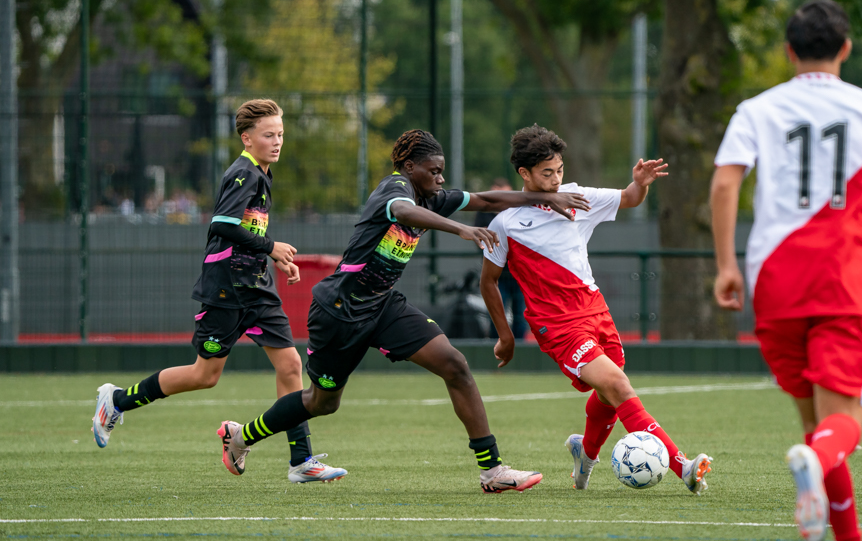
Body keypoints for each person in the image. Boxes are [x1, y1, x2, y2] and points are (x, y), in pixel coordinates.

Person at [217, 129, 591, 493]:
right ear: (410, 167)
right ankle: (241, 436)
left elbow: (486, 199)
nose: (440, 178)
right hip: (340, 311)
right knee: (322, 401)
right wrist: (459, 229)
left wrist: (543, 197)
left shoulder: (432, 196)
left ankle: (492, 471)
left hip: (383, 306)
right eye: (434, 171)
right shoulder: (394, 188)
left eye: (442, 171)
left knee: (455, 365)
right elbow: (402, 211)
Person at [711, 0, 862, 541]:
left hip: (775, 278)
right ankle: (814, 462)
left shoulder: (756, 109)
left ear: (789, 51)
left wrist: (727, 266)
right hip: (845, 277)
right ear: (846, 48)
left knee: (814, 425)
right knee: (843, 426)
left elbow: (725, 183)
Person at [92, 99, 336, 484]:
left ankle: (301, 461)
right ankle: (116, 400)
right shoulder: (243, 173)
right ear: (247, 138)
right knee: (204, 375)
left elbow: (247, 230)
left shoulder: (263, 174)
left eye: (280, 134)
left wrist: (272, 256)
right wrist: (271, 247)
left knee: (290, 365)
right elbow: (221, 225)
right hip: (226, 289)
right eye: (269, 135)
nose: (277, 141)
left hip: (256, 287)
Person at [479, 124, 713, 495]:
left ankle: (584, 457)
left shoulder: (577, 197)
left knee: (607, 393)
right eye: (546, 173)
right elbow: (488, 281)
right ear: (524, 173)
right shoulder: (505, 223)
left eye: (559, 170)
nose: (556, 180)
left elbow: (630, 198)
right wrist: (505, 336)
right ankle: (682, 465)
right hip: (557, 325)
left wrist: (640, 183)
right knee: (617, 385)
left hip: (595, 310)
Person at [474, 178, 529, 339]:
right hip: (496, 274)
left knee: (520, 314)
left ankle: (519, 346)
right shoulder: (483, 214)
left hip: (519, 274)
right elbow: (481, 240)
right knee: (496, 313)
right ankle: (496, 344)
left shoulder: (520, 212)